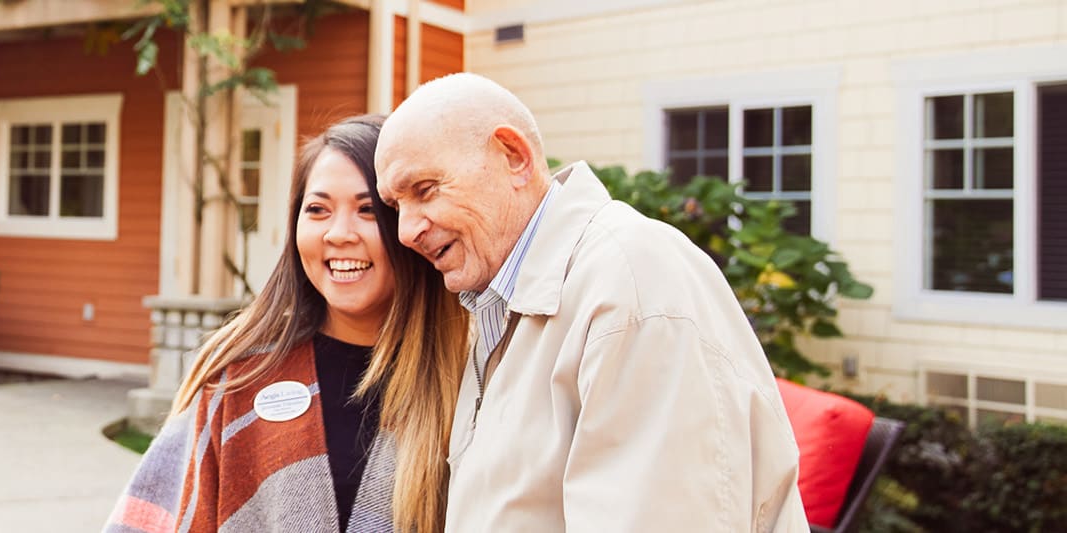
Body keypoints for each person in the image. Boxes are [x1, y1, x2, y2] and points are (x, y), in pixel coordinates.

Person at [373, 72, 809, 532]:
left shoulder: (632, 283)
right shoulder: (507, 299)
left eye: (424, 190)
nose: (406, 231)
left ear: (514, 157)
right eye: (396, 205)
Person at [105, 115, 467, 533]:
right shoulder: (239, 373)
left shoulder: (464, 379)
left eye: (368, 210)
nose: (338, 233)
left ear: (406, 225)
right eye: (317, 209)